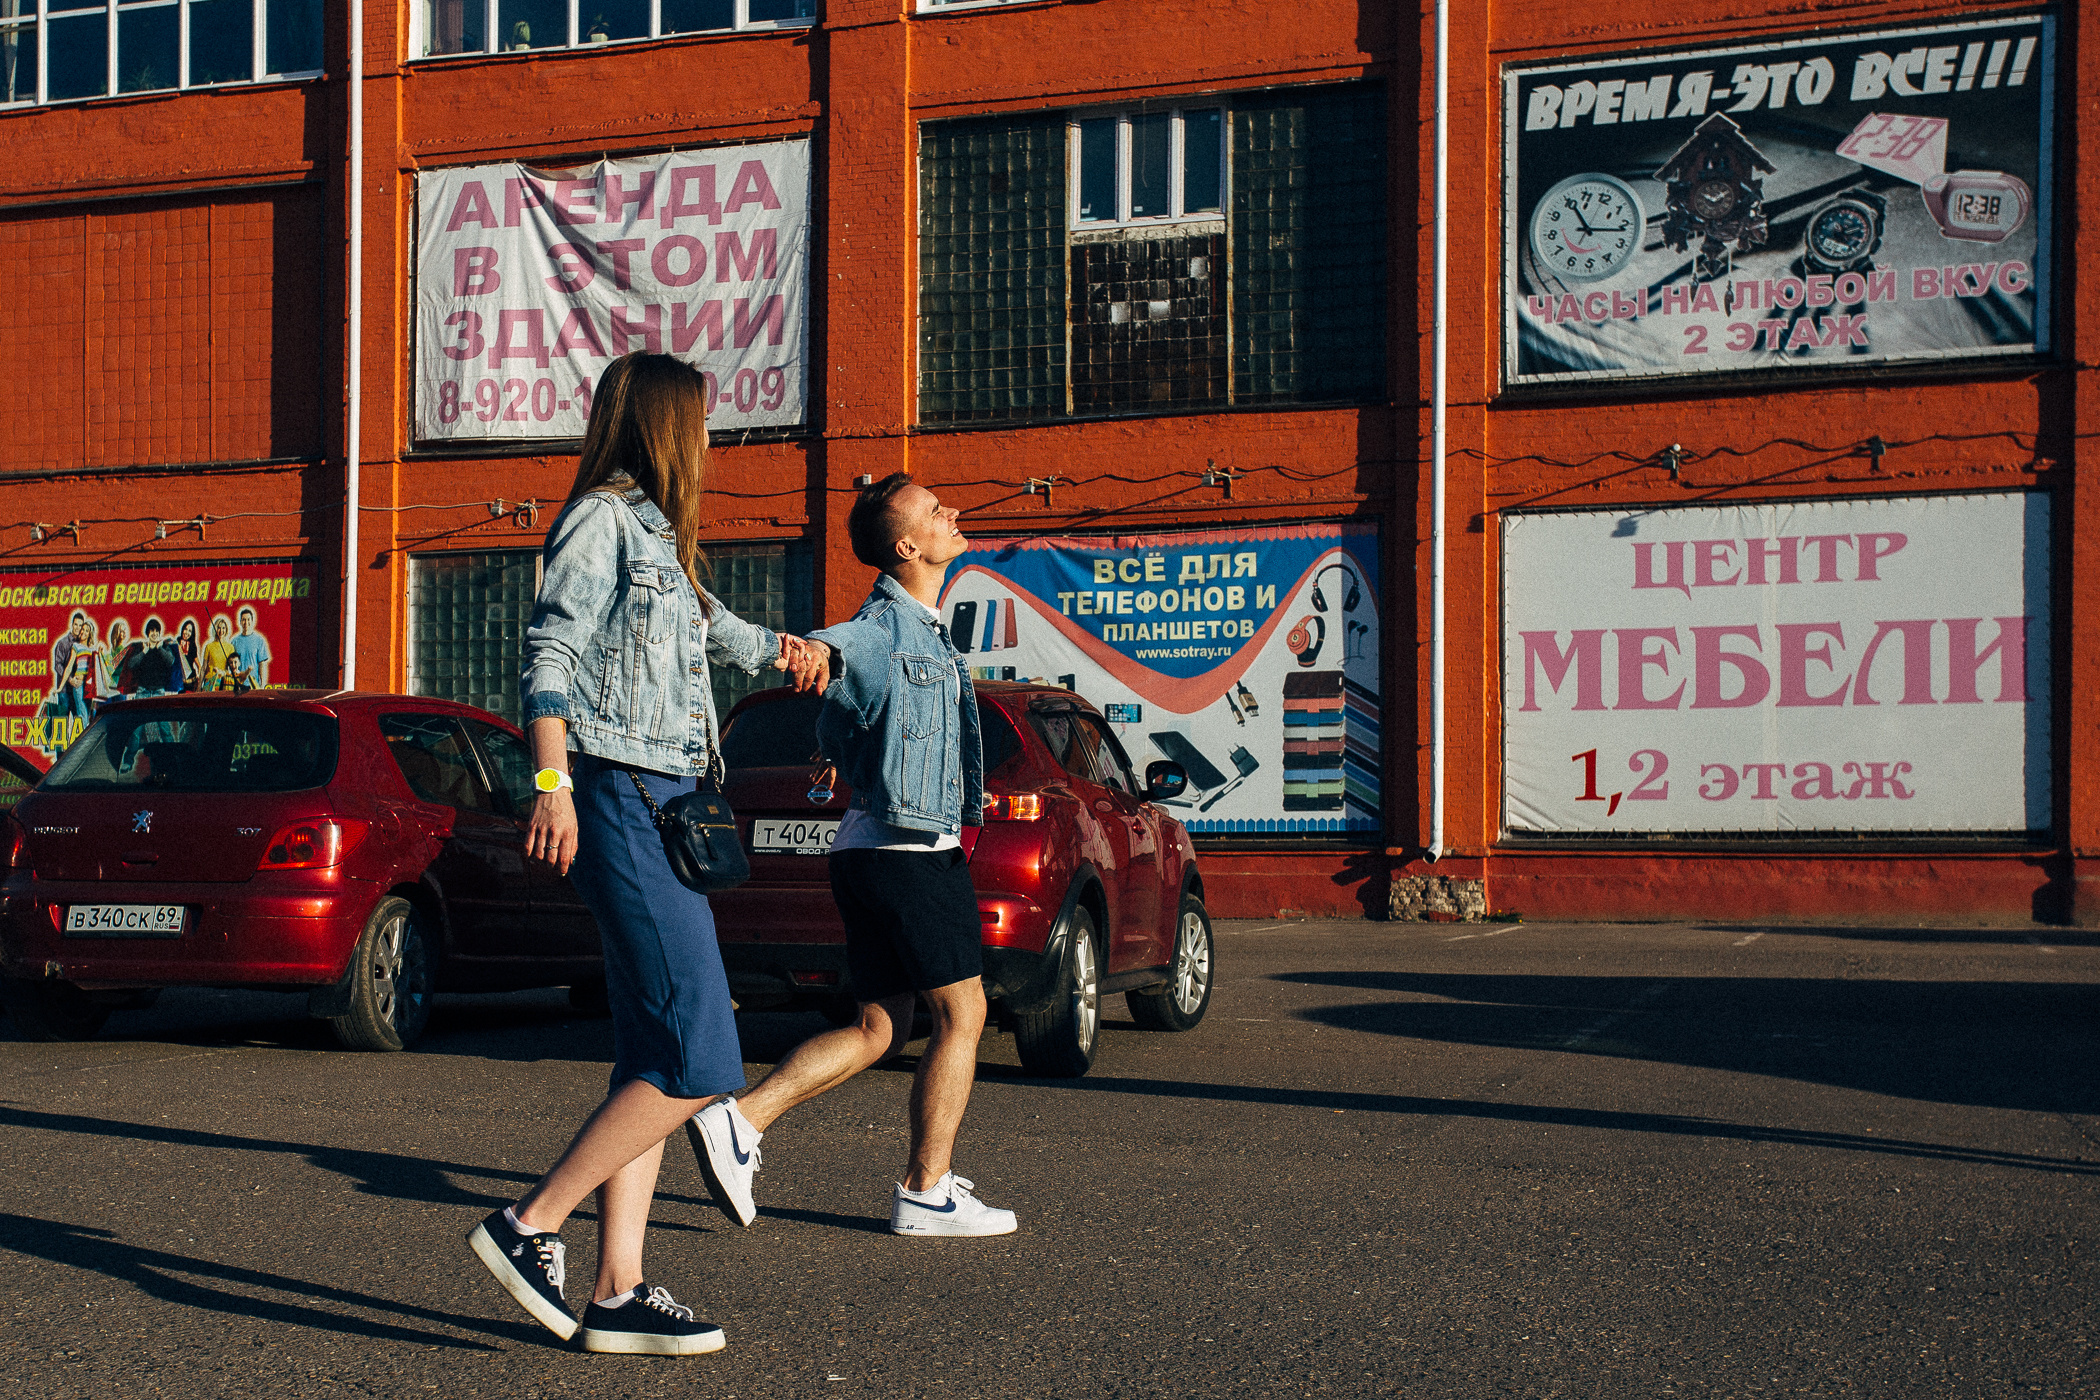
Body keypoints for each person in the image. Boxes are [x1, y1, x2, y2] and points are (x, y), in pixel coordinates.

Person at [465, 352, 828, 1357]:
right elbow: (550, 649)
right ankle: (530, 1223)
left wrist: (793, 651)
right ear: (668, 424)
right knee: (703, 1050)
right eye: (701, 422)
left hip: (666, 795)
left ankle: (618, 1285)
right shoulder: (603, 517)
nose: (709, 439)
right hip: (618, 788)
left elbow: (717, 631)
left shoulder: (664, 542)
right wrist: (551, 784)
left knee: (649, 1051)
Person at [685, 472, 1015, 1240]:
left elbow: (853, 709)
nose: (952, 513)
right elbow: (826, 653)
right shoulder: (885, 628)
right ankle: (926, 1191)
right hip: (907, 852)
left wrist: (843, 748)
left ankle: (745, 1120)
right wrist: (769, 641)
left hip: (869, 849)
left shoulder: (923, 629)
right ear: (907, 545)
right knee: (963, 1013)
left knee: (879, 1027)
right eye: (937, 510)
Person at [129, 618, 181, 697]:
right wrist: (144, 652)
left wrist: (160, 648)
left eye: (157, 631)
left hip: (159, 691)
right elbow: (131, 664)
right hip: (142, 691)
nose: (155, 633)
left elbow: (171, 661)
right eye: (152, 630)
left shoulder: (164, 646)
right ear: (148, 632)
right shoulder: (141, 647)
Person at [229, 606, 271, 689]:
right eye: (243, 620)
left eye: (248, 619)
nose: (246, 622)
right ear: (240, 622)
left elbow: (262, 665)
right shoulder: (234, 641)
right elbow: (231, 664)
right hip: (238, 684)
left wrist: (262, 685)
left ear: (252, 621)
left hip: (253, 685)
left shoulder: (259, 640)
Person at [201, 615, 237, 691]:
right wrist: (198, 686)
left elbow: (233, 668)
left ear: (226, 630)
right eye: (219, 628)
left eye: (223, 628)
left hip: (224, 682)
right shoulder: (209, 646)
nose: (221, 630)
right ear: (215, 629)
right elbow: (203, 668)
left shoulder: (230, 647)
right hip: (210, 681)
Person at [174, 618, 201, 690]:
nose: (187, 632)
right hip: (178, 681)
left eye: (190, 631)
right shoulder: (177, 641)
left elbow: (199, 665)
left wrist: (199, 677)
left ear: (192, 633)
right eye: (186, 629)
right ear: (182, 629)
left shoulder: (192, 645)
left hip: (190, 682)